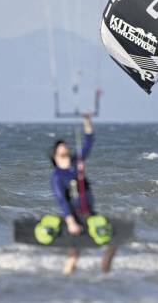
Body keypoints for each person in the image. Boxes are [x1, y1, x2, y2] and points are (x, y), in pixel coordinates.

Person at [50, 113, 116, 275]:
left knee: (113, 242)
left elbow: (89, 139)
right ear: (55, 155)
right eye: (61, 146)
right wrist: (71, 222)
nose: (65, 146)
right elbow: (61, 200)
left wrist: (87, 121)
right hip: (75, 217)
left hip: (90, 214)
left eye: (65, 144)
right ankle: (64, 283)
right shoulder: (57, 176)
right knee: (74, 254)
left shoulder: (76, 162)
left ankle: (105, 276)